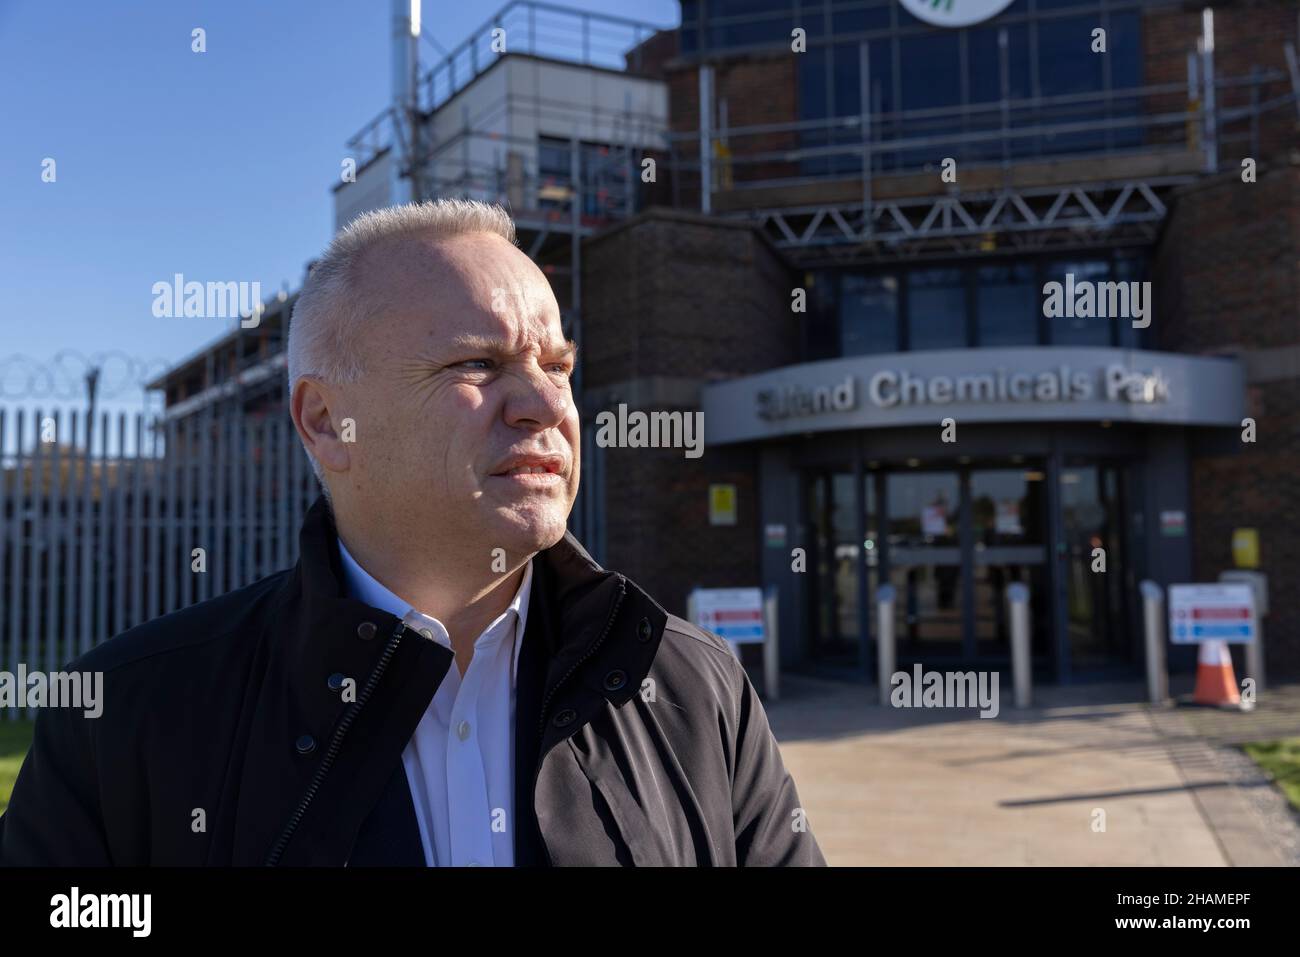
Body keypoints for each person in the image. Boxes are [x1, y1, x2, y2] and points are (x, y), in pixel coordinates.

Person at [0, 199, 826, 867]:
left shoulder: (691, 686)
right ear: (326, 421)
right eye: (477, 364)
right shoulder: (125, 726)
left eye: (559, 365)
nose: (544, 403)